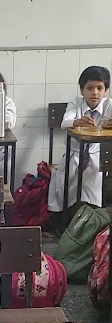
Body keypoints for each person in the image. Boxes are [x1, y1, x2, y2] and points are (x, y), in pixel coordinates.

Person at [48, 66, 112, 216]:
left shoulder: (109, 105)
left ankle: (93, 217)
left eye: (99, 88)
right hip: (74, 154)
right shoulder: (76, 103)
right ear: (82, 90)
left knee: (93, 175)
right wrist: (77, 121)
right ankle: (67, 216)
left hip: (99, 157)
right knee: (67, 179)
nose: (95, 93)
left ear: (106, 90)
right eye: (89, 88)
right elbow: (65, 122)